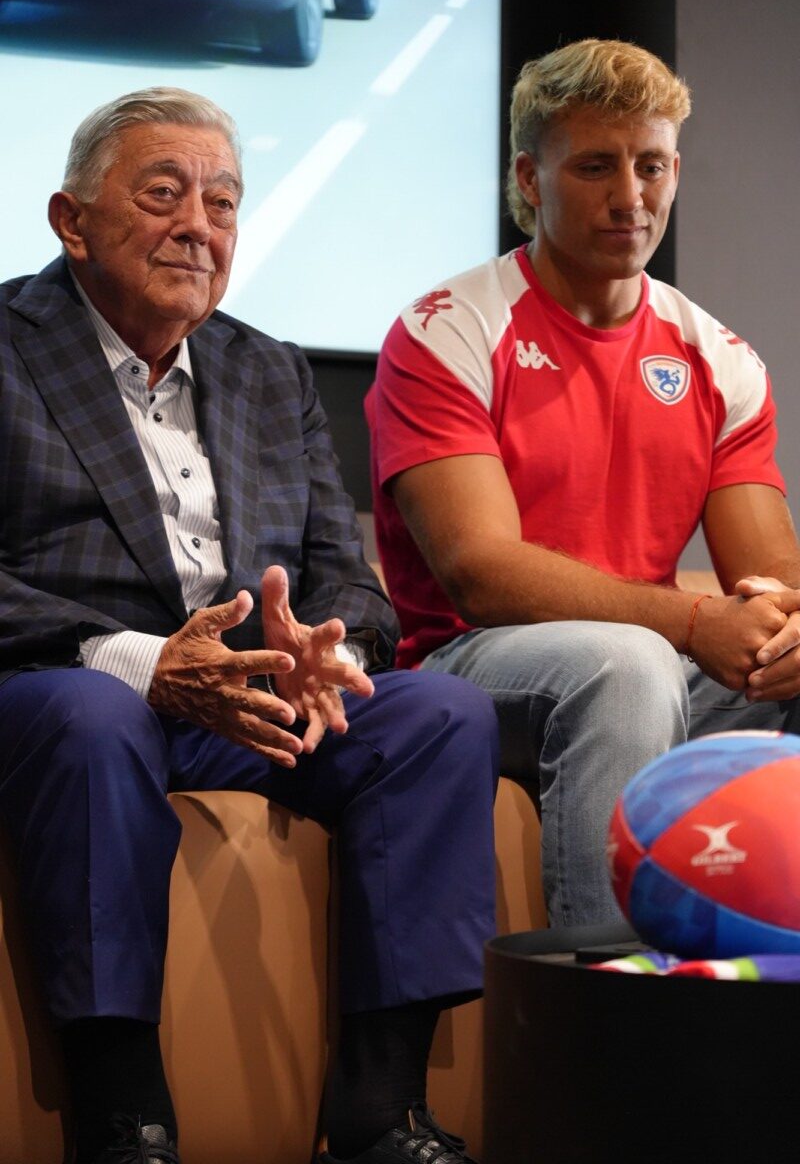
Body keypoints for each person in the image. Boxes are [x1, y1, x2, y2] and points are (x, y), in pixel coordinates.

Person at [0, 87, 499, 1164]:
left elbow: (344, 576)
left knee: (441, 717)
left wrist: (331, 653)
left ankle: (381, 1114)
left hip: (251, 700)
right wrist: (141, 663)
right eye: (163, 194)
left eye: (222, 202)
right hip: (69, 692)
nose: (199, 226)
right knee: (94, 719)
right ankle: (125, 1118)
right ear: (71, 221)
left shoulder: (268, 369)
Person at [368, 38, 800, 930]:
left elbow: (770, 579)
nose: (631, 197)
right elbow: (480, 574)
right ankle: (606, 1004)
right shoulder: (448, 331)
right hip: (472, 670)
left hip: (655, 660)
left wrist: (790, 627)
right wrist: (690, 623)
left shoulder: (720, 358)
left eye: (652, 166)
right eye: (597, 166)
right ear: (530, 179)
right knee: (626, 664)